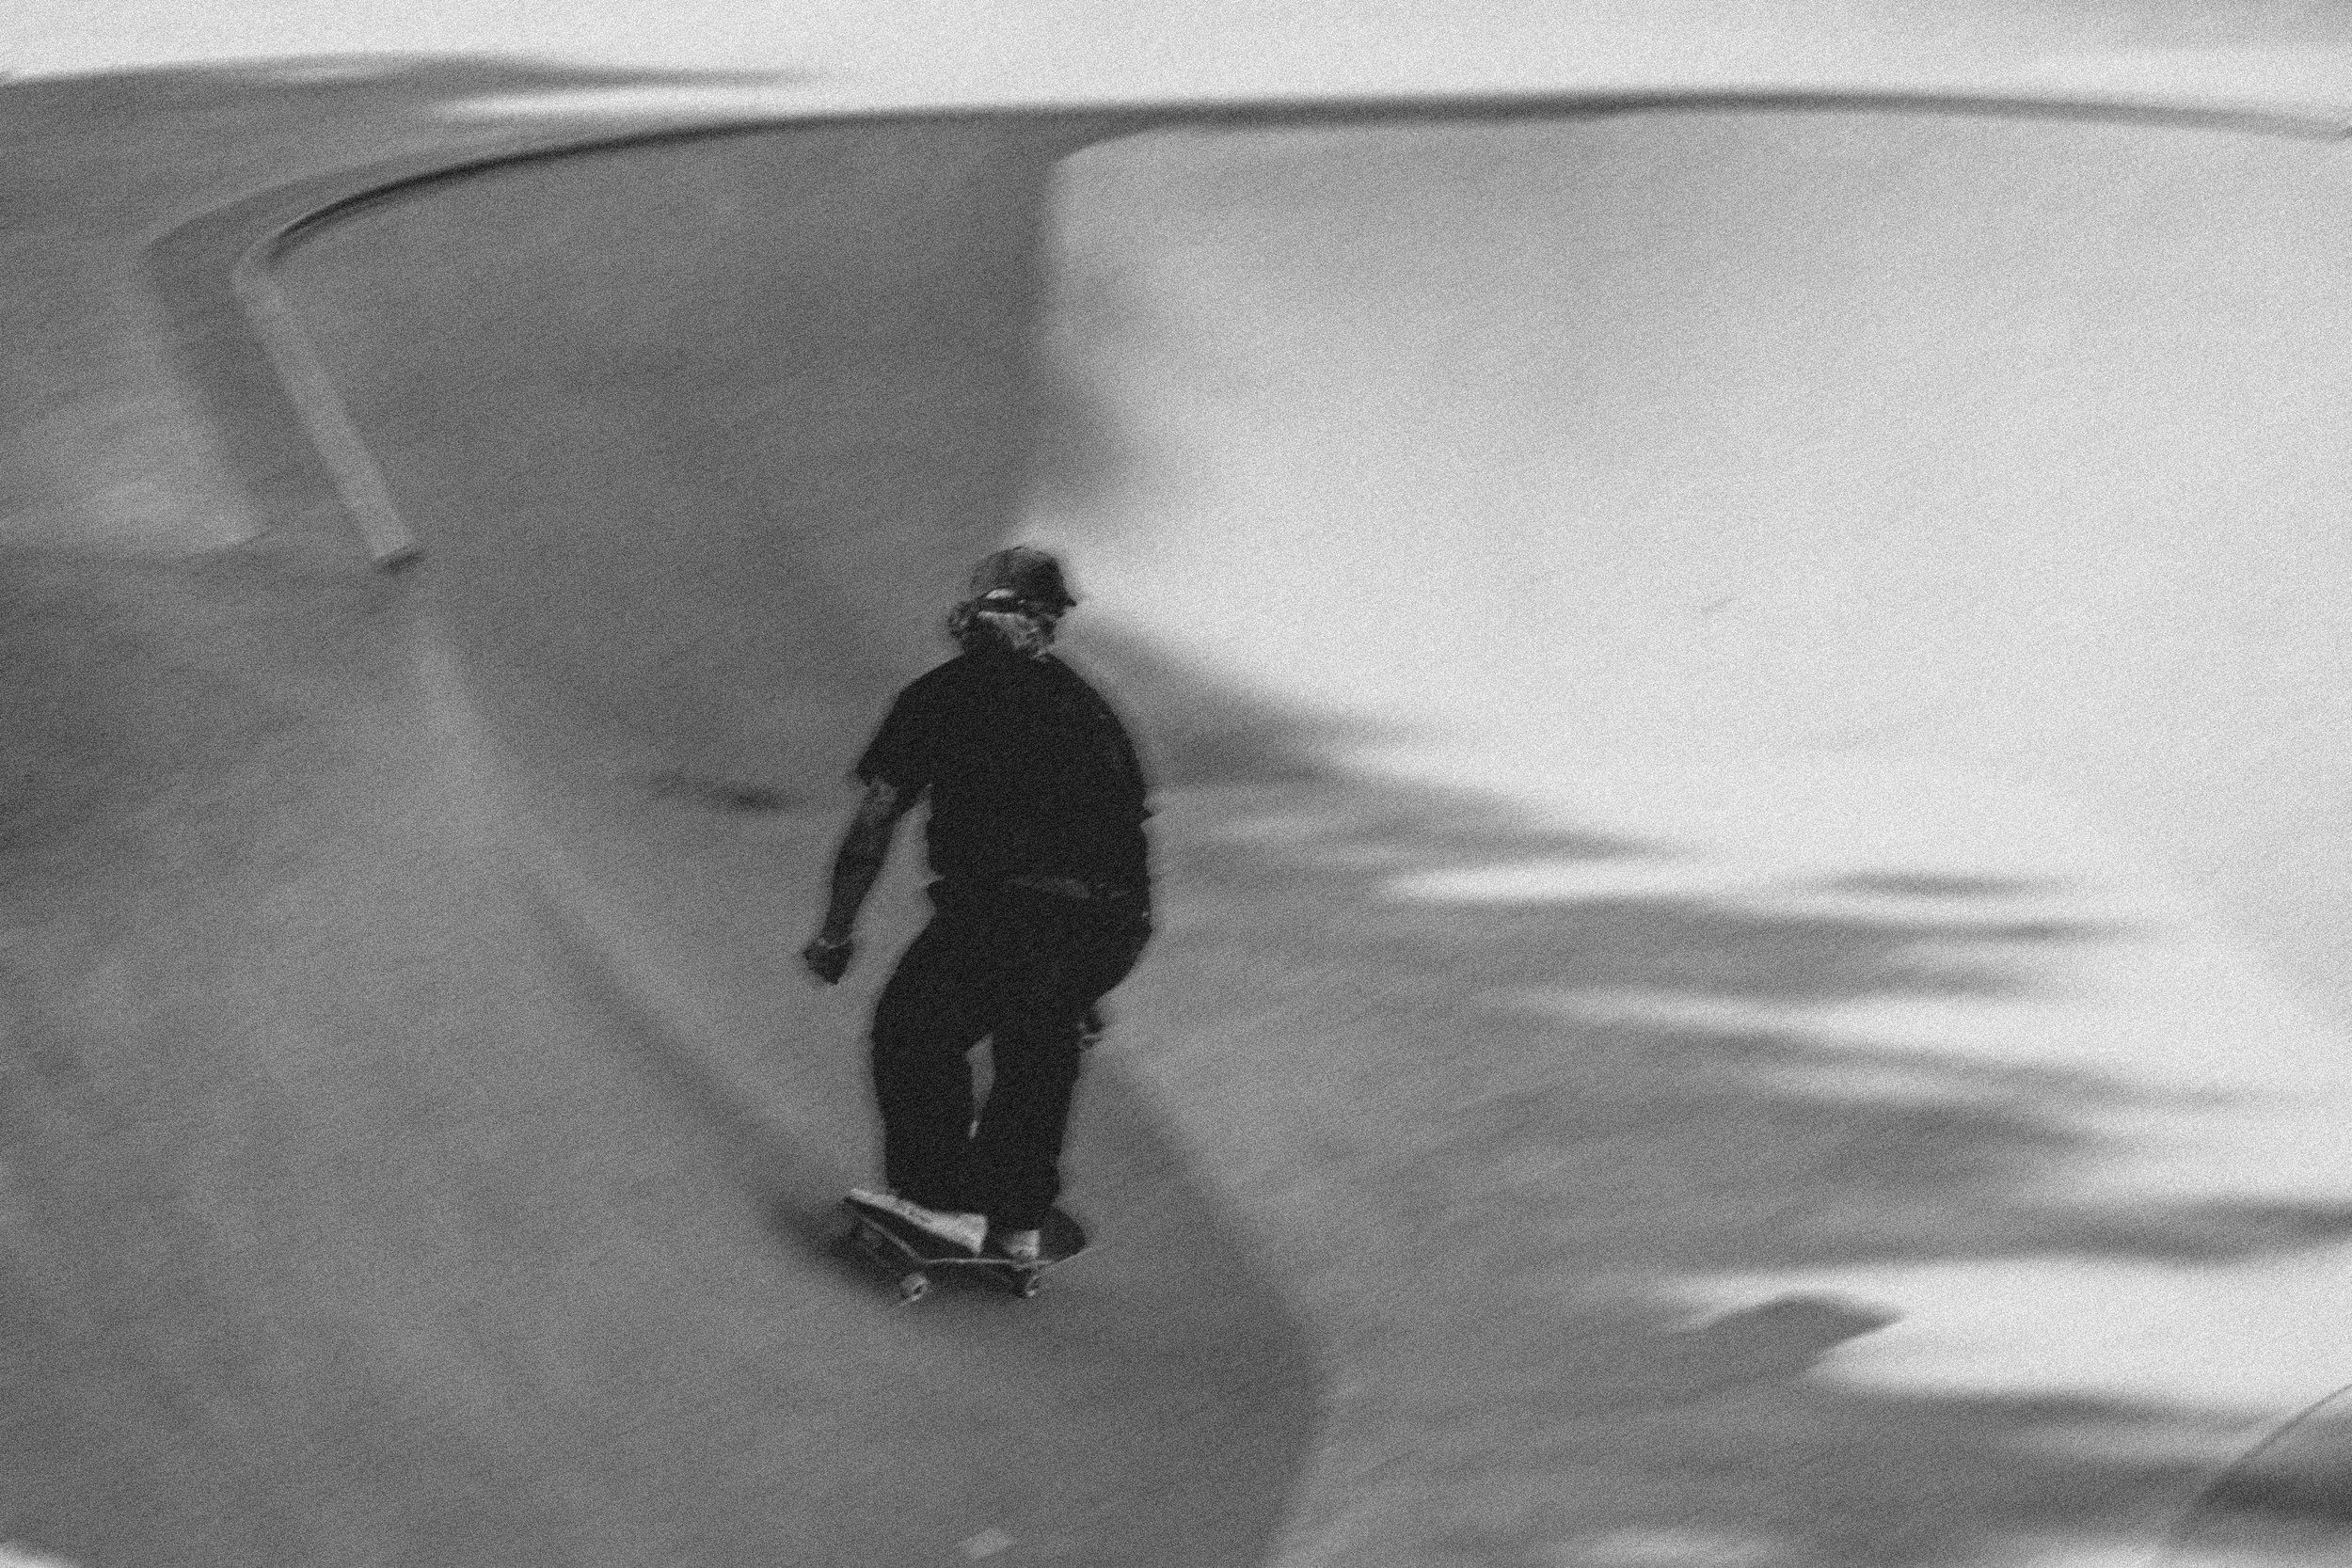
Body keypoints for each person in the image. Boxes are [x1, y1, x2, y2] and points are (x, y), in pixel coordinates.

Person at [802, 546, 1153, 1264]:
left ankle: (937, 1203)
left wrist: (835, 934)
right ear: (1048, 624)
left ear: (977, 616)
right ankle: (1016, 1216)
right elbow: (1128, 832)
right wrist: (1086, 976)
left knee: (914, 1028)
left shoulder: (944, 693)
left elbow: (876, 819)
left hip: (1011, 910)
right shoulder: (1093, 710)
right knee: (1039, 1045)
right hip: (1115, 920)